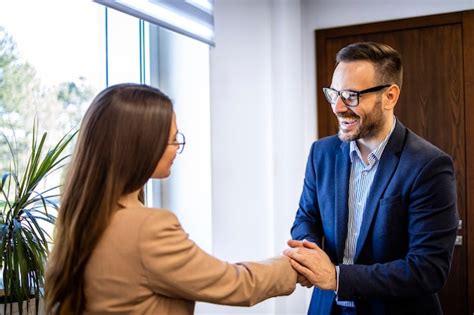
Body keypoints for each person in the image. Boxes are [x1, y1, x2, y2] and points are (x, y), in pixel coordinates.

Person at [44, 83, 297, 315]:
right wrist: (295, 267)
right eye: (173, 139)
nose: (177, 147)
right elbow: (238, 284)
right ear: (142, 145)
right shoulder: (147, 227)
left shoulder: (85, 215)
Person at [284, 42, 458, 315]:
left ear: (390, 96)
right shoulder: (322, 153)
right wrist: (310, 254)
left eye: (352, 95)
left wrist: (338, 277)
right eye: (335, 94)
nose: (339, 107)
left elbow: (427, 269)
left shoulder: (429, 165)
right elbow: (306, 218)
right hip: (326, 307)